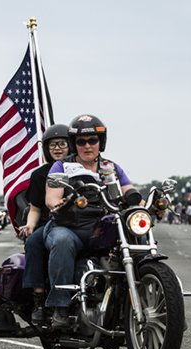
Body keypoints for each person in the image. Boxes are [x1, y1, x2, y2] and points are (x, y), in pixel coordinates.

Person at [44, 114, 134, 327]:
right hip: (68, 226)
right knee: (62, 241)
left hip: (103, 228)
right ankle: (61, 307)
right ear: (74, 144)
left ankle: (162, 301)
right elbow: (51, 198)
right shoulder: (61, 167)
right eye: (81, 141)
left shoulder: (110, 167)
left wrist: (137, 198)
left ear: (100, 143)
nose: (87, 146)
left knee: (135, 241)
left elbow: (128, 189)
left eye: (92, 140)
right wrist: (61, 202)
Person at [19, 124, 71, 323]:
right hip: (48, 222)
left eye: (62, 144)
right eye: (52, 145)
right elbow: (35, 208)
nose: (57, 148)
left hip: (77, 223)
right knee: (33, 242)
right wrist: (30, 226)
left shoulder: (79, 169)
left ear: (70, 146)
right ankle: (39, 299)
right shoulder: (39, 174)